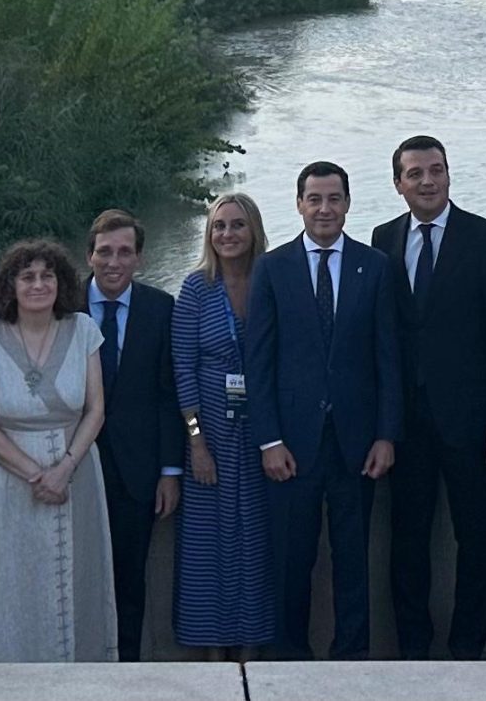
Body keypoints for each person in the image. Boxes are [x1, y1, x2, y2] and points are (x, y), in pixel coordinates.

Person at [243, 161, 402, 660]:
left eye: (334, 199)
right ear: (299, 205)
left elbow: (388, 357)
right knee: (292, 560)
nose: (325, 209)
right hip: (291, 444)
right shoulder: (272, 267)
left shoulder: (374, 266)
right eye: (315, 199)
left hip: (356, 443)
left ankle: (350, 661)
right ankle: (289, 662)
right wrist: (268, 439)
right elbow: (258, 360)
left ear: (348, 204)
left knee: (354, 561)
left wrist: (386, 435)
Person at [371, 135, 486, 660]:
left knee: (475, 540)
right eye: (415, 173)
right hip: (406, 425)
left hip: (471, 421)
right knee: (407, 542)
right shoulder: (383, 238)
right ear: (399, 184)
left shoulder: (483, 237)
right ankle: (414, 647)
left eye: (435, 170)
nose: (427, 180)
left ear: (449, 175)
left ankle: (467, 650)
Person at [0, 238, 116, 662]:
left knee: (76, 582)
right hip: (8, 483)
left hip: (77, 472)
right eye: (27, 276)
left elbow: (96, 409)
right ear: (9, 285)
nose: (38, 284)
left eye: (47, 275)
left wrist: (63, 469)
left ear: (61, 281)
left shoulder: (83, 329)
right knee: (12, 585)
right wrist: (37, 474)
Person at [172, 192, 277, 657]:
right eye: (219, 226)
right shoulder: (196, 289)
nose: (228, 234)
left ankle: (252, 645)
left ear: (253, 230)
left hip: (263, 431)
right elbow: (183, 367)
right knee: (206, 545)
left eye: (237, 225)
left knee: (257, 540)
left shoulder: (272, 281)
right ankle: (212, 648)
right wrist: (197, 443)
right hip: (210, 432)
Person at [85, 209, 183, 660]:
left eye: (125, 252)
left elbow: (169, 395)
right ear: (89, 256)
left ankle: (125, 673)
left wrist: (169, 470)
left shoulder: (161, 308)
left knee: (129, 581)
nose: (114, 262)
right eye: (104, 252)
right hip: (74, 470)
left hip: (137, 473)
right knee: (74, 580)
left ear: (140, 258)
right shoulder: (61, 306)